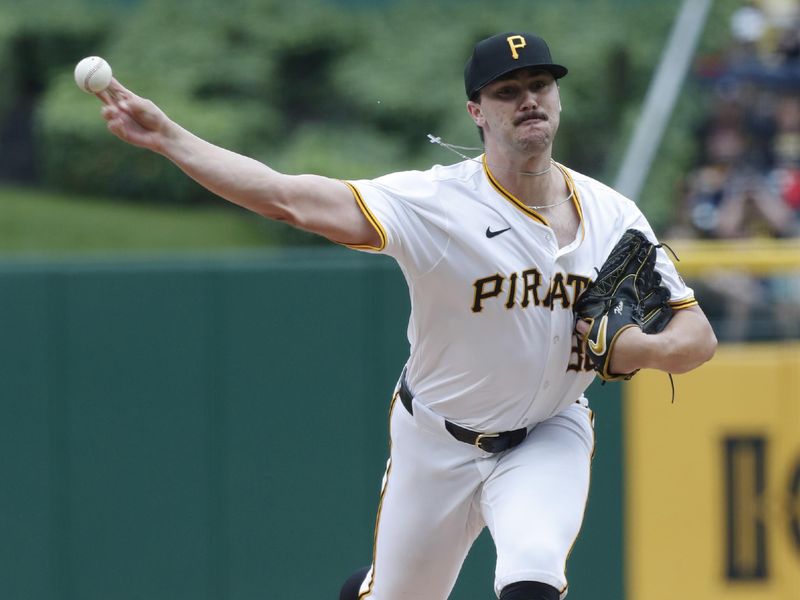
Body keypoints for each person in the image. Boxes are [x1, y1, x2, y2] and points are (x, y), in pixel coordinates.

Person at [96, 32, 717, 600]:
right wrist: (169, 137)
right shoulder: (437, 204)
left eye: (540, 85)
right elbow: (287, 199)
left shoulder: (612, 215)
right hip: (436, 441)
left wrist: (638, 347)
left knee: (532, 575)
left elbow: (697, 338)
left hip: (549, 432)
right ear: (477, 112)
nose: (528, 100)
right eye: (507, 91)